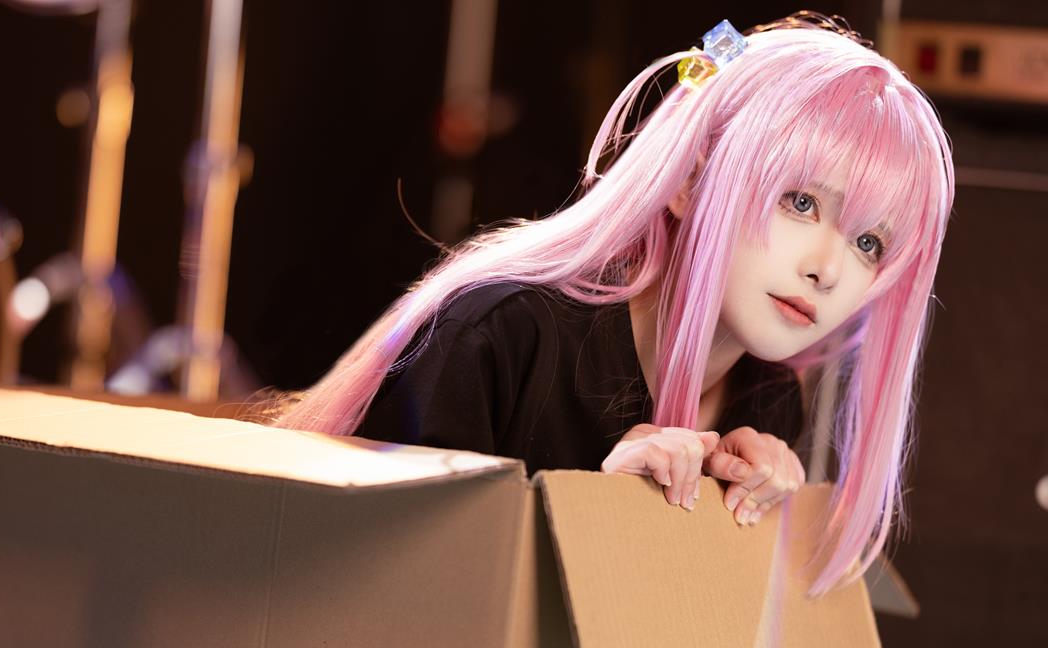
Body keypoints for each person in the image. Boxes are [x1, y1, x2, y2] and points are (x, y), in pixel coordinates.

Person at [274, 12, 954, 596]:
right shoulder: (499, 336)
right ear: (689, 180)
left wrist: (747, 511)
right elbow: (370, 608)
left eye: (869, 242)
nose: (827, 269)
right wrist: (590, 511)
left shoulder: (767, 400)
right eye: (800, 202)